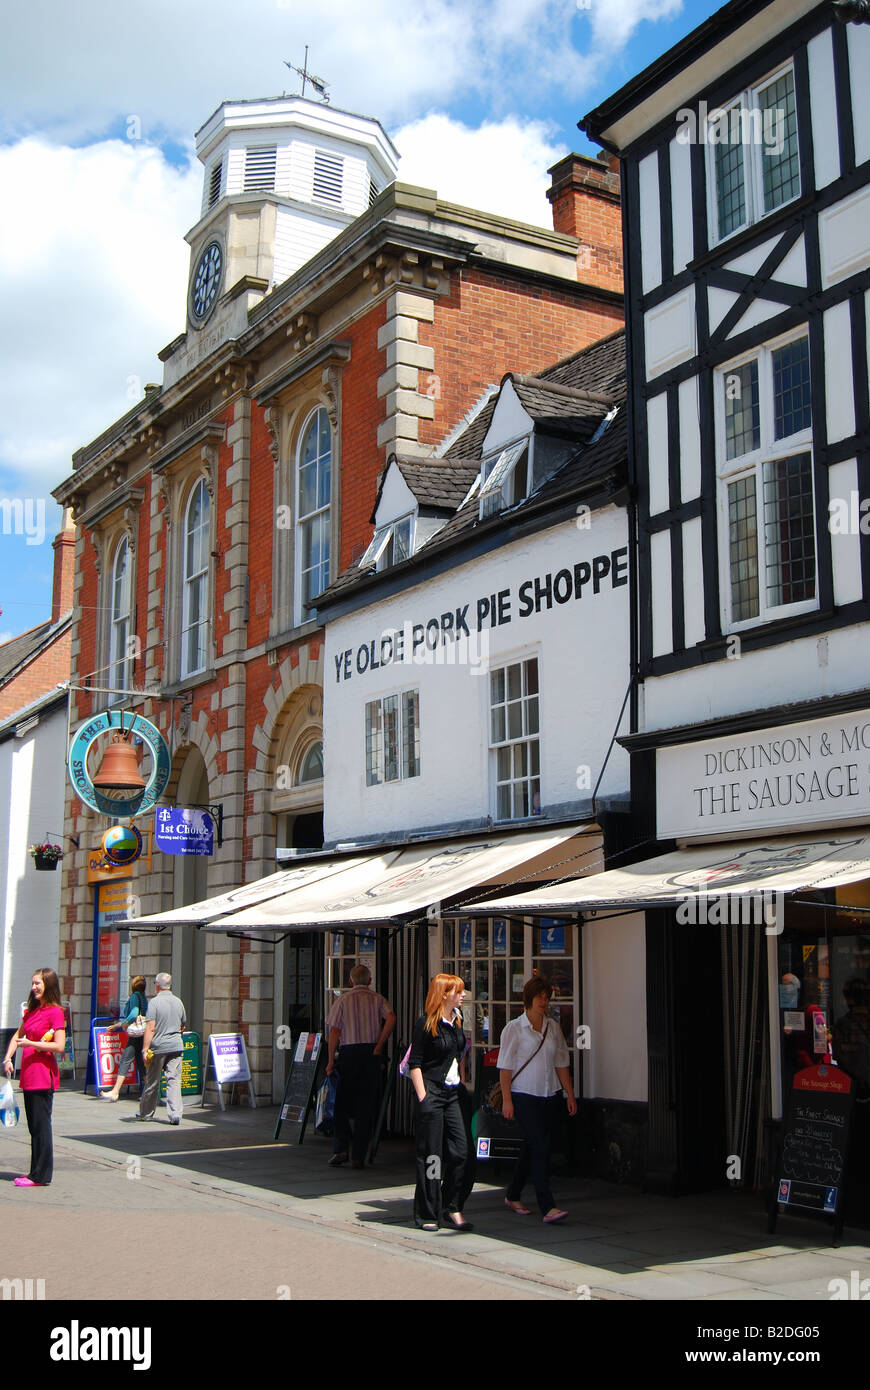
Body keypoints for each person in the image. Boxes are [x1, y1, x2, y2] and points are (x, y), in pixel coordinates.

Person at [498, 975, 577, 1223]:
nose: (544, 1001)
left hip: (549, 1095)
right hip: (524, 1096)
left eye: (547, 997)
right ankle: (548, 1206)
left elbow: (561, 1063)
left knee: (533, 1146)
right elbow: (505, 1068)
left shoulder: (552, 1028)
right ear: (529, 998)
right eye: (540, 996)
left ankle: (513, 1194)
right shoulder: (513, 1028)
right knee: (540, 1148)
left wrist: (569, 1094)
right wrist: (507, 1100)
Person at [408, 973, 473, 1232]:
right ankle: (427, 1214)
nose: (463, 995)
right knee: (431, 1155)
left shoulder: (457, 1020)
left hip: (454, 1093)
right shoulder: (426, 1024)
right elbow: (415, 1064)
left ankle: (452, 1205)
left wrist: (462, 1080)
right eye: (458, 991)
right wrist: (423, 1097)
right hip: (432, 1092)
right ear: (444, 994)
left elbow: (459, 1055)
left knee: (462, 1152)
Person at [325, 963, 395, 1168]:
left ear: (350, 981)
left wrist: (330, 1061)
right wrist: (380, 1044)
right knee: (366, 1106)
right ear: (370, 980)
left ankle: (341, 1149)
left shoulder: (343, 1000)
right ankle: (358, 1156)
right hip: (370, 1053)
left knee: (341, 1104)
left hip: (348, 1054)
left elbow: (335, 1031)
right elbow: (391, 1018)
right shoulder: (377, 999)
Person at [2, 968, 66, 1187]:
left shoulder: (55, 1012)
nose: (34, 987)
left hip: (43, 1076)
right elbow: (17, 1036)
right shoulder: (31, 1011)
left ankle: (41, 1175)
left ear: (48, 984)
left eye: (38, 983)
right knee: (34, 1128)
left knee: (41, 1127)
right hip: (28, 1077)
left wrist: (32, 1044)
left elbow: (59, 1045)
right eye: (32, 983)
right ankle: (34, 1172)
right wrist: (8, 1058)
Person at [136, 973, 187, 1125]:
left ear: (157, 985)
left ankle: (146, 1113)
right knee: (174, 1080)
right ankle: (175, 1114)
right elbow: (183, 1024)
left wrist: (145, 1049)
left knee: (153, 1081)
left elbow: (150, 1028)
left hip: (159, 1047)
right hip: (176, 1046)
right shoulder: (178, 1002)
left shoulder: (154, 1003)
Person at [100, 974, 148, 1101]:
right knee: (140, 1063)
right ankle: (149, 1092)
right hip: (142, 1033)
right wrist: (117, 1025)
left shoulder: (134, 997)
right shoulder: (144, 998)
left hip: (135, 1034)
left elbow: (133, 1014)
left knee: (125, 1060)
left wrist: (125, 1025)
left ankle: (115, 1092)